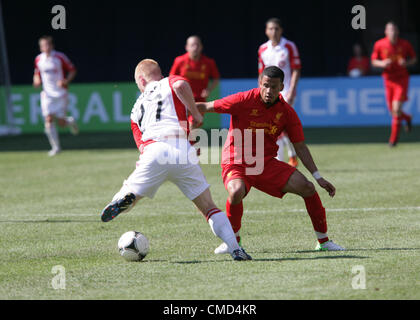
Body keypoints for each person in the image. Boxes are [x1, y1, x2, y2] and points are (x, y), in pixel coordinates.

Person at [100, 59, 251, 261]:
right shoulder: (170, 81)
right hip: (181, 150)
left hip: (154, 150)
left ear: (141, 80)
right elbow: (180, 85)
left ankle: (121, 199)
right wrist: (196, 115)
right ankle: (235, 249)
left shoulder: (136, 108)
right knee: (208, 207)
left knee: (131, 197)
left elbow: (142, 145)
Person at [197, 66, 345, 253]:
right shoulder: (242, 100)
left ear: (282, 87)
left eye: (274, 87)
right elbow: (205, 107)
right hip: (236, 160)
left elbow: (300, 146)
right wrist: (185, 116)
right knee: (236, 192)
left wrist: (318, 176)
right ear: (260, 83)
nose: (269, 91)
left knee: (308, 188)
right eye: (265, 85)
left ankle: (324, 242)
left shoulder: (286, 112)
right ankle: (232, 242)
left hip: (265, 163)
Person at [258, 18, 301, 167]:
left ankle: (288, 157)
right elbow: (261, 73)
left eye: (276, 29)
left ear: (281, 30)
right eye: (271, 29)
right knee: (273, 126)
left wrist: (292, 90)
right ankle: (283, 159)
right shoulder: (263, 49)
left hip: (286, 92)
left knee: (283, 125)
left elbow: (296, 69)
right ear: (266, 31)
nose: (274, 32)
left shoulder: (289, 46)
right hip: (269, 93)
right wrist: (260, 92)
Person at [371, 21, 417, 147]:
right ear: (386, 32)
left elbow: (414, 59)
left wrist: (406, 63)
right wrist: (382, 63)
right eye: (390, 30)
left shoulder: (405, 44)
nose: (393, 32)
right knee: (393, 111)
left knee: (396, 109)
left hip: (402, 79)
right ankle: (407, 118)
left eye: (395, 30)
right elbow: (374, 61)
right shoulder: (379, 44)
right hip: (388, 79)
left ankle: (393, 140)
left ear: (398, 31)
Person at [33, 35, 79, 156]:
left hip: (60, 93)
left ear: (52, 46)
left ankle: (69, 121)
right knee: (48, 119)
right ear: (41, 47)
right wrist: (36, 80)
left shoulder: (59, 57)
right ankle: (56, 147)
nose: (45, 47)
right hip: (47, 94)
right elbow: (37, 73)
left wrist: (65, 81)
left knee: (61, 123)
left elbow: (72, 70)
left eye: (47, 45)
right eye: (43, 45)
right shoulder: (39, 59)